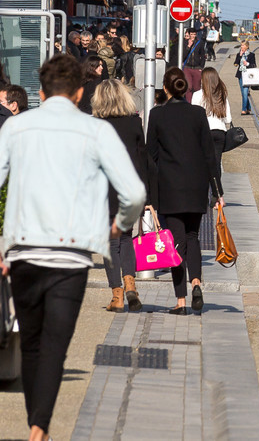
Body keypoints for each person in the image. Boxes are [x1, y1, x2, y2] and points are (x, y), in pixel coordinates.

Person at [0, 56, 145, 441]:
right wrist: (120, 225)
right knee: (55, 345)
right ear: (80, 93)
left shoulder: (15, 127)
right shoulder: (96, 132)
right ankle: (39, 428)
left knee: (31, 343)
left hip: (24, 251)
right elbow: (134, 192)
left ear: (41, 91)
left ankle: (37, 424)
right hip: (71, 254)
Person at [146, 67, 223, 316]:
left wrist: (149, 195)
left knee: (176, 242)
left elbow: (151, 157)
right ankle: (196, 283)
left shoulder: (157, 115)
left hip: (170, 188)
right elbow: (209, 155)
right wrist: (217, 190)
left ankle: (181, 300)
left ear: (165, 88)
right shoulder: (198, 113)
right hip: (196, 186)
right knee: (192, 237)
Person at [92, 79, 151, 313]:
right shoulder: (134, 123)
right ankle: (131, 286)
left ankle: (117, 296)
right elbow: (142, 161)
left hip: (105, 191)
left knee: (110, 243)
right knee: (126, 239)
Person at [193, 67, 233, 159]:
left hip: (203, 132)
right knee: (216, 162)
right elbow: (228, 119)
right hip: (219, 132)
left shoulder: (197, 95)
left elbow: (194, 117)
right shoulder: (221, 95)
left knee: (203, 161)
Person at [233, 38, 259, 116]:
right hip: (240, 75)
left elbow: (254, 65)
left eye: (243, 45)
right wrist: (240, 56)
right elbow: (235, 64)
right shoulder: (239, 54)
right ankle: (248, 107)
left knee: (245, 92)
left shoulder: (251, 55)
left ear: (247, 46)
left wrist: (247, 64)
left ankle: (244, 109)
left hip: (248, 76)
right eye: (241, 45)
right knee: (243, 93)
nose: (242, 47)